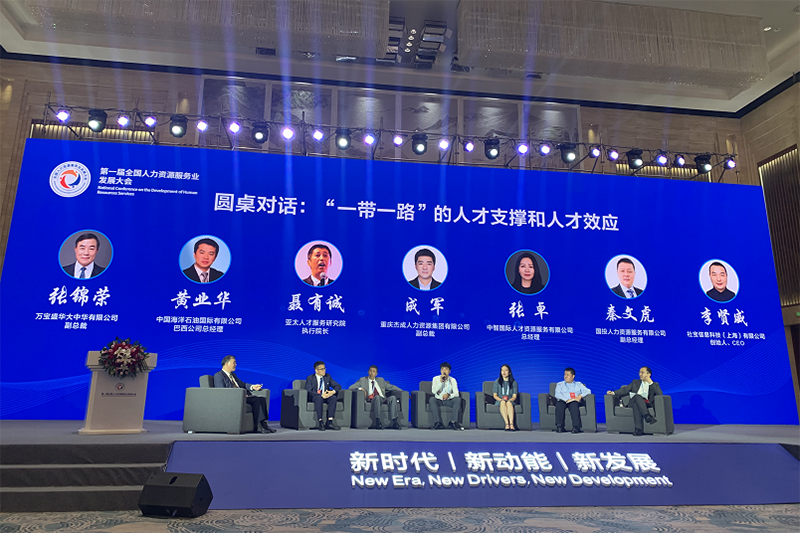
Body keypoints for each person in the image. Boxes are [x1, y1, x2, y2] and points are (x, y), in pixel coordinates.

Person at [213, 356, 275, 433]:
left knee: (261, 399)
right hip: (234, 399)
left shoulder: (233, 375)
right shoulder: (219, 375)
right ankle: (258, 426)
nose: (236, 364)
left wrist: (253, 387)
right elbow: (221, 391)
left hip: (243, 397)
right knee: (256, 400)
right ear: (226, 364)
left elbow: (243, 384)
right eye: (234, 362)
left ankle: (264, 424)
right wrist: (240, 394)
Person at [606, 366, 663, 436]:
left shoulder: (654, 384)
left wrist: (651, 383)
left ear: (648, 374)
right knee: (637, 397)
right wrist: (613, 393)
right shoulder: (635, 382)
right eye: (639, 372)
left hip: (646, 404)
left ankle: (638, 429)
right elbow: (625, 390)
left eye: (642, 372)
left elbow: (659, 393)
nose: (640, 374)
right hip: (633, 401)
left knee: (637, 405)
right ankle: (646, 415)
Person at [348, 365, 403, 429]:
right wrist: (360, 388)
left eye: (373, 371)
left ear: (376, 374)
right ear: (368, 372)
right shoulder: (363, 380)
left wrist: (402, 391)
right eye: (370, 371)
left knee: (393, 398)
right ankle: (378, 422)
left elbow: (392, 387)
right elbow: (351, 387)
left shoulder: (381, 380)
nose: (371, 373)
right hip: (372, 399)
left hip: (383, 398)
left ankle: (395, 422)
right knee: (377, 397)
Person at [304, 361, 341, 430]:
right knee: (319, 398)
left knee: (333, 398)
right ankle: (320, 422)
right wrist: (321, 395)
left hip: (326, 396)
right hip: (315, 396)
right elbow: (309, 391)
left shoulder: (327, 377)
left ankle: (329, 422)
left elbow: (338, 386)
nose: (324, 370)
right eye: (322, 369)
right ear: (316, 370)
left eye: (324, 368)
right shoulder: (310, 378)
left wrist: (332, 392)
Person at [553, 367, 591, 434]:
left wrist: (579, 396)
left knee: (574, 405)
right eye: (565, 374)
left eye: (567, 375)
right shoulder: (560, 384)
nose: (565, 376)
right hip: (563, 400)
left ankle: (576, 427)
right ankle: (559, 427)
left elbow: (588, 391)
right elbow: (557, 394)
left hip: (574, 401)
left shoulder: (578, 384)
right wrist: (567, 400)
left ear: (573, 376)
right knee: (559, 404)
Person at [429, 362, 465, 430]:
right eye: (442, 369)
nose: (444, 371)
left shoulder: (453, 380)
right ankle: (437, 422)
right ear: (440, 371)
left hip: (449, 400)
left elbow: (456, 393)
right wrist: (441, 382)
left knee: (458, 399)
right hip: (439, 400)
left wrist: (449, 395)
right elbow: (433, 391)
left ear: (449, 371)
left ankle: (453, 422)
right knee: (432, 399)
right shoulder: (435, 379)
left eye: (446, 369)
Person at [492, 364, 518, 431]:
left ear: (509, 372)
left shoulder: (514, 383)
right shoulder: (497, 382)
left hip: (510, 400)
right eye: (502, 370)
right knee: (503, 402)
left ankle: (511, 424)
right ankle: (507, 424)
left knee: (508, 403)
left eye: (506, 370)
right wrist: (501, 400)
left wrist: (509, 400)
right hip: (500, 400)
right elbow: (495, 395)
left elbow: (514, 396)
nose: (504, 372)